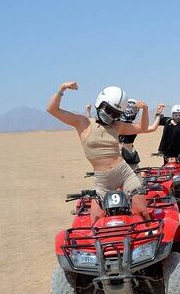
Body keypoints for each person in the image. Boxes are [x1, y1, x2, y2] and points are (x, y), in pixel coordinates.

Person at [46, 81, 150, 223]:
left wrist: (145, 110)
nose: (110, 115)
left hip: (124, 173)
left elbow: (142, 128)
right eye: (108, 109)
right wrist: (62, 89)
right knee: (95, 222)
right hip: (102, 181)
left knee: (143, 212)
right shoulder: (83, 122)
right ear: (100, 103)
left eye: (115, 113)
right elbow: (52, 109)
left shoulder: (117, 126)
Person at [118, 99, 141, 171]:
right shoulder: (114, 124)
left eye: (133, 108)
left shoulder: (134, 127)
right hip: (117, 160)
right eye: (128, 107)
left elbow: (148, 127)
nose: (130, 110)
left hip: (130, 159)